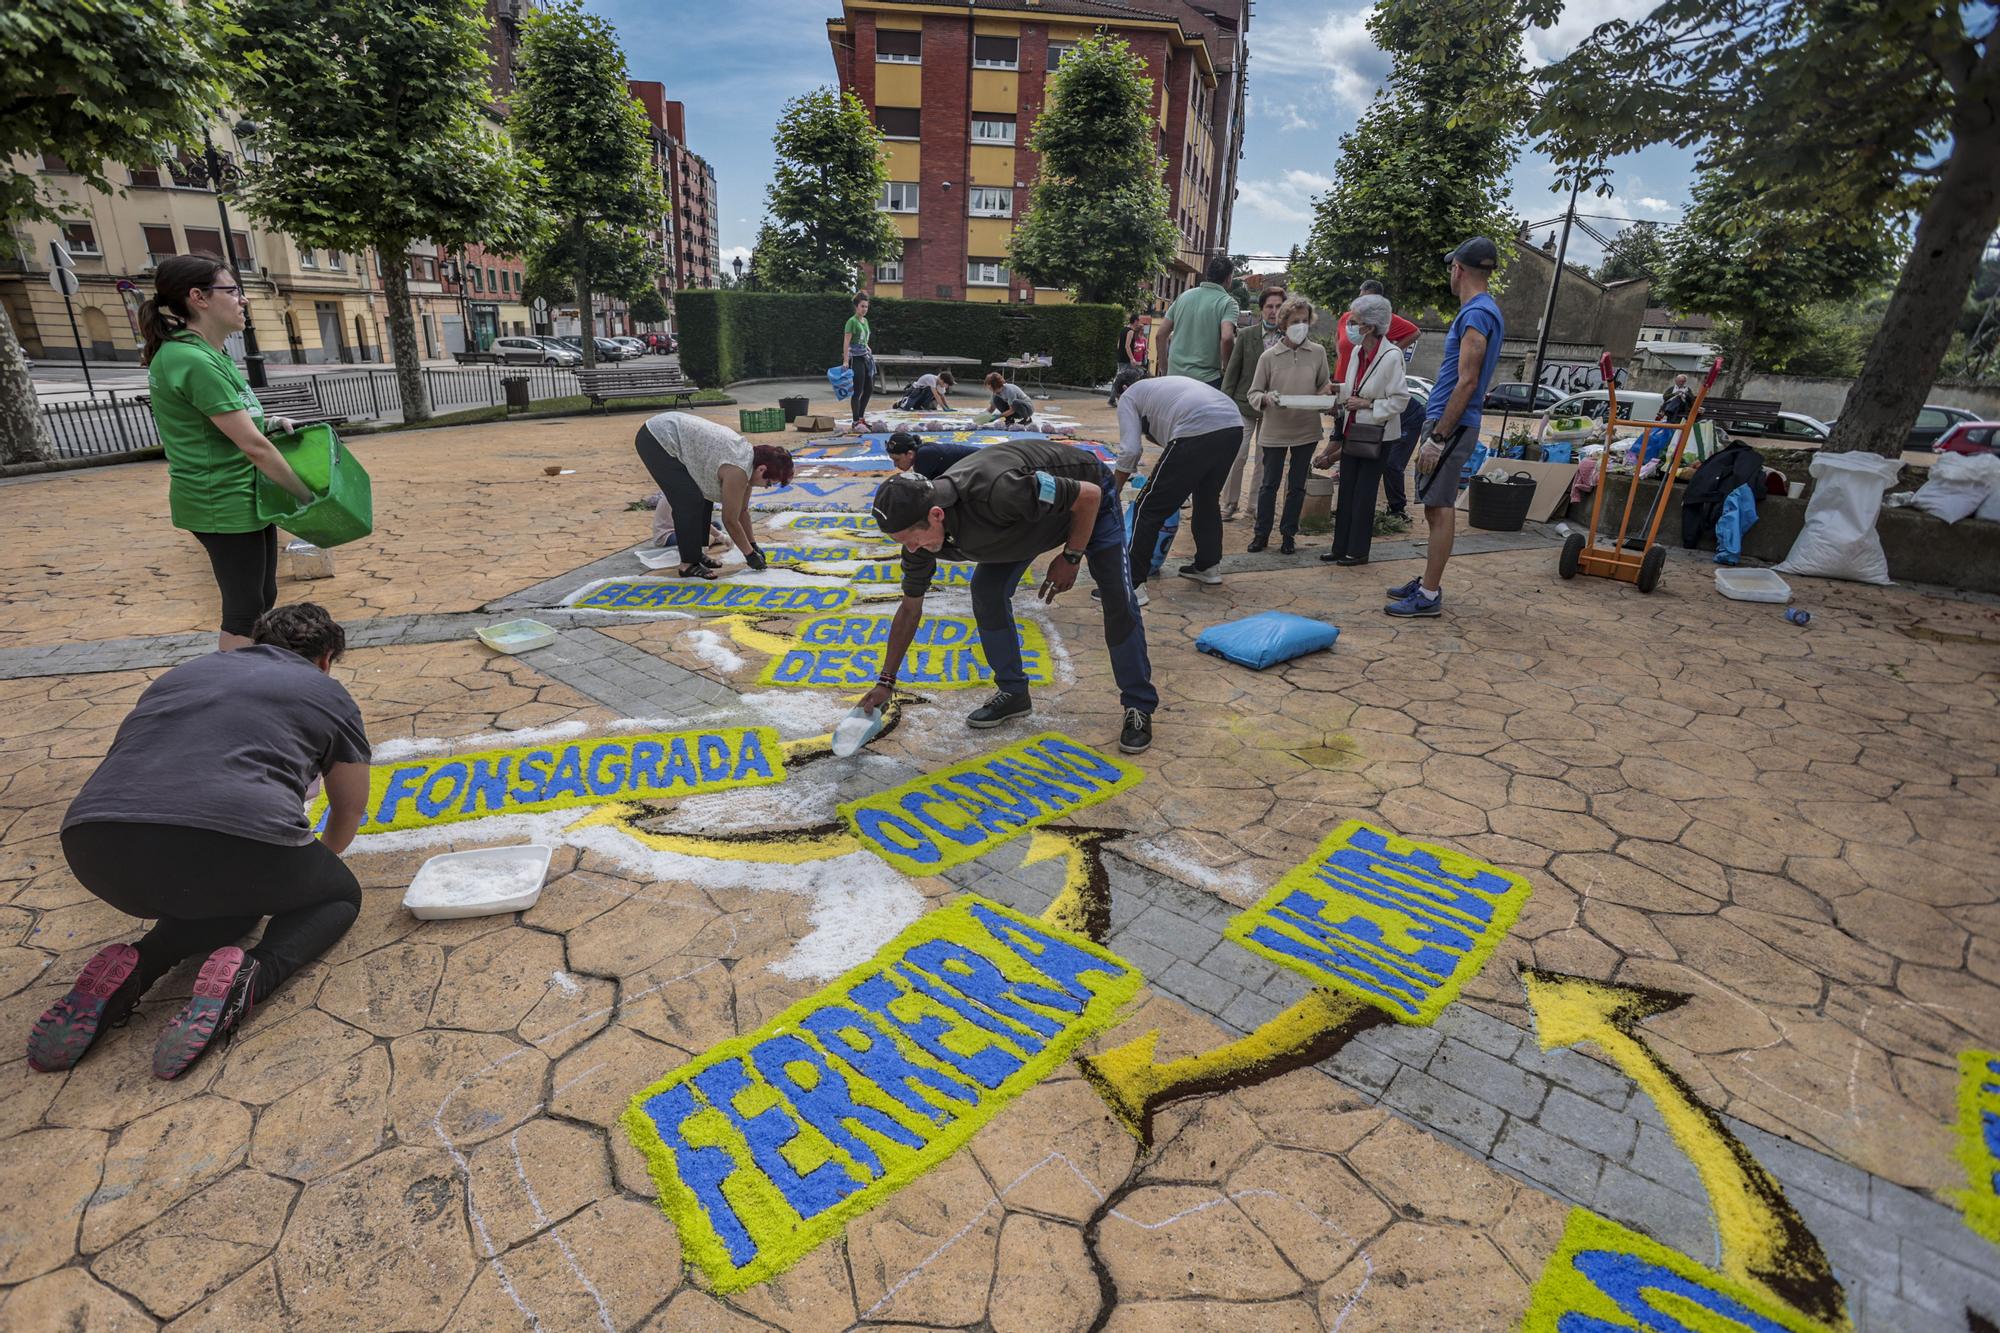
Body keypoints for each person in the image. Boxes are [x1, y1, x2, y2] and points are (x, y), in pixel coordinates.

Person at [30, 604, 370, 1079]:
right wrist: (311, 871)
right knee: (337, 894)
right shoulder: (326, 692)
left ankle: (139, 967)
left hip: (95, 846)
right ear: (326, 658)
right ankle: (248, 980)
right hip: (230, 837)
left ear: (255, 641)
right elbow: (349, 808)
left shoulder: (185, 673)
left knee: (224, 896)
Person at [862, 442, 1157, 754]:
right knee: (987, 591)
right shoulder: (917, 539)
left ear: (936, 515)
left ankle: (1138, 704)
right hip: (1022, 523)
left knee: (1117, 597)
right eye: (902, 543)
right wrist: (885, 682)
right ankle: (1014, 692)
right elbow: (909, 609)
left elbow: (1088, 495)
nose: (910, 550)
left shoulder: (998, 489)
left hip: (1088, 504)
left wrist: (1071, 556)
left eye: (911, 539)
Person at [140, 254, 314, 651]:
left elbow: (232, 422)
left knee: (262, 597)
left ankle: (250, 677)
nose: (243, 300)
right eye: (232, 290)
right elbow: (254, 448)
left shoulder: (209, 354)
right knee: (244, 609)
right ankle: (238, 689)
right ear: (198, 298)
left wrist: (270, 422)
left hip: (242, 496)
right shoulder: (190, 359)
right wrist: (305, 496)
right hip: (220, 500)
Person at [1387, 237, 1505, 618]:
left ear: (1458, 269)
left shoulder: (1476, 314)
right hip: (1449, 423)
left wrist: (1438, 437)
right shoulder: (1482, 311)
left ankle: (1430, 593)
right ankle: (1426, 582)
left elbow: (1468, 381)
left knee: (1440, 507)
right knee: (1435, 507)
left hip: (1450, 425)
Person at [1112, 373, 1243, 588]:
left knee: (1147, 507)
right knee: (1206, 499)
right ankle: (1207, 566)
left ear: (1124, 388)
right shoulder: (1163, 386)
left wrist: (1114, 489)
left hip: (1197, 426)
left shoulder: (1129, 395)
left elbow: (1130, 451)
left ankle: (1131, 586)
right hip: (1232, 425)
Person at [634, 412, 794, 578]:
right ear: (762, 469)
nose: (767, 487)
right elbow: (730, 520)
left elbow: (742, 511)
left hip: (668, 433)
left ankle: (696, 554)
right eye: (769, 483)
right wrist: (749, 555)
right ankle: (688, 564)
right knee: (689, 501)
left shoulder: (749, 464)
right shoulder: (739, 470)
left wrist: (753, 545)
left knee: (704, 497)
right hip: (657, 438)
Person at [1319, 293, 1411, 567]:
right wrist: (1337, 400)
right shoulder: (1359, 352)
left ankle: (1358, 550)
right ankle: (1340, 547)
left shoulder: (1392, 356)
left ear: (1369, 327)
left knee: (1364, 494)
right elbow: (1351, 388)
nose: (1349, 325)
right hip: (1352, 430)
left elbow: (1400, 400)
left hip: (1376, 435)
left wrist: (1368, 404)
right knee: (1346, 490)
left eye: (1354, 321)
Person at [1244, 296, 1333, 556]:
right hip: (1274, 429)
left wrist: (1326, 394)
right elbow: (1254, 393)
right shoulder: (1268, 357)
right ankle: (1261, 534)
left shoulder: (1317, 352)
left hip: (1306, 428)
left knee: (1296, 486)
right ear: (1283, 323)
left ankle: (1288, 535)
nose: (1301, 326)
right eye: (1296, 321)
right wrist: (1266, 398)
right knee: (1269, 484)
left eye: (1305, 321)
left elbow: (1322, 385)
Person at [1218, 285, 1286, 521]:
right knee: (1238, 455)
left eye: (1278, 307)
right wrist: (1225, 404)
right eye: (1269, 306)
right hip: (1243, 405)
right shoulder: (1246, 336)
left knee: (1264, 459)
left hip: (1273, 410)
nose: (1274, 311)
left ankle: (1255, 505)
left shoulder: (1288, 341)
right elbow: (1232, 372)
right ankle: (1229, 503)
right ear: (1261, 309)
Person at [1155, 255, 1240, 389]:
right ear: (1229, 278)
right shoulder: (1228, 303)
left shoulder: (1183, 297)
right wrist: (1228, 372)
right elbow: (1227, 337)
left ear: (1208, 275)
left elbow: (1160, 335)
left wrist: (1164, 370)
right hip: (1206, 380)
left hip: (1174, 378)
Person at [886, 430, 981, 479]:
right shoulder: (922, 453)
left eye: (897, 460)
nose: (895, 465)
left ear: (910, 454)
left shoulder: (924, 455)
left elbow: (921, 490)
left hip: (983, 464)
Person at [841, 293, 875, 429]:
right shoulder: (852, 321)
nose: (864, 309)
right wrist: (845, 360)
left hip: (866, 357)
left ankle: (861, 417)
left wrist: (867, 346)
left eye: (866, 306)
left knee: (869, 388)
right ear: (856, 306)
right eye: (862, 306)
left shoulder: (865, 321)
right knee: (858, 389)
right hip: (855, 358)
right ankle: (855, 421)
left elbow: (864, 337)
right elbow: (846, 342)